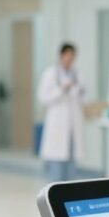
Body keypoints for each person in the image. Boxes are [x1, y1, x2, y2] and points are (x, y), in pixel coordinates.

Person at [38, 43, 85, 182]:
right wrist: (61, 89)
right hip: (57, 127)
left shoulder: (77, 74)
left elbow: (83, 95)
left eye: (73, 56)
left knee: (71, 172)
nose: (70, 58)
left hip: (72, 127)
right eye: (68, 55)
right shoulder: (50, 74)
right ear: (61, 55)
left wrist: (78, 90)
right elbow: (43, 98)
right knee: (56, 172)